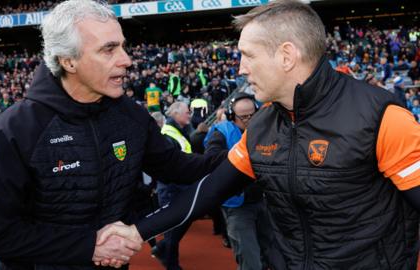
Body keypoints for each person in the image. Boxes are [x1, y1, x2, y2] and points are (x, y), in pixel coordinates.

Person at [98, 1, 420, 269]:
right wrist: (136, 231)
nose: (240, 68)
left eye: (247, 55)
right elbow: (208, 191)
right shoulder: (261, 128)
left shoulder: (382, 118)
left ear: (286, 55)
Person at [0, 1, 223, 270]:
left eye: (123, 46)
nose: (126, 59)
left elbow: (179, 168)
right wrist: (90, 246)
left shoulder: (131, 115)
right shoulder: (16, 128)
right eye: (108, 49)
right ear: (68, 61)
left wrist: (245, 154)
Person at [204, 92, 272, 270]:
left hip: (264, 200)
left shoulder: (264, 127)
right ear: (232, 116)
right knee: (250, 261)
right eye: (244, 117)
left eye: (252, 115)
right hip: (237, 206)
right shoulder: (222, 132)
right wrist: (241, 156)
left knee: (272, 255)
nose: (249, 120)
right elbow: (211, 158)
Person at [152, 102, 194, 270]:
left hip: (180, 186)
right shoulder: (169, 134)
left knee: (180, 224)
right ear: (175, 114)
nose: (190, 114)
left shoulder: (177, 131)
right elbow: (172, 166)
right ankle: (171, 265)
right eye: (186, 112)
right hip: (173, 188)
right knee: (173, 228)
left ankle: (161, 248)